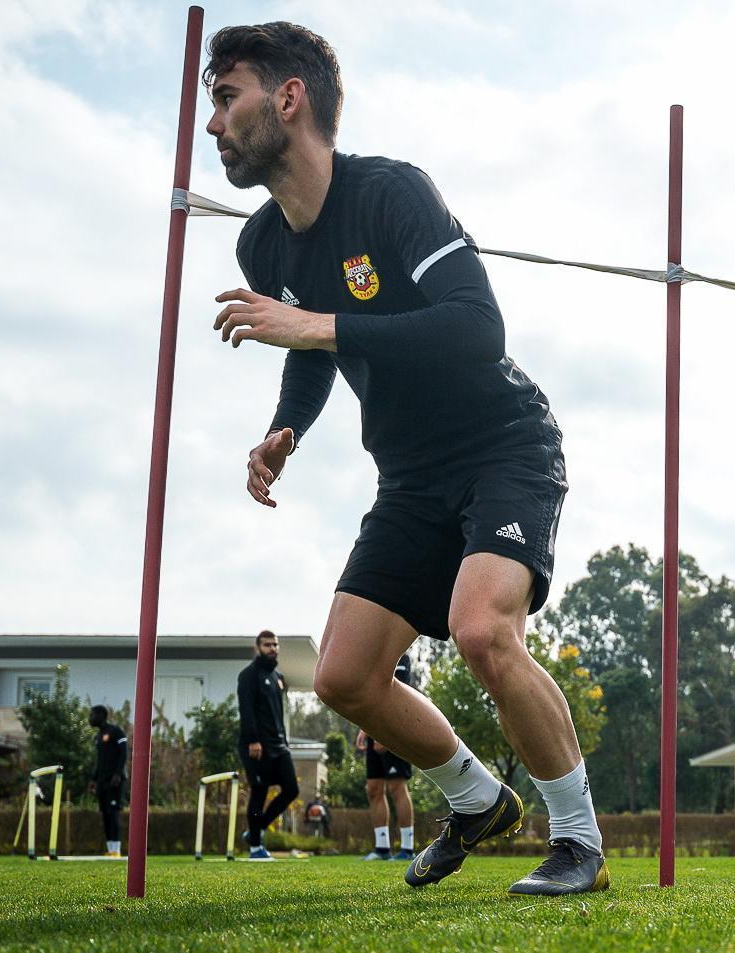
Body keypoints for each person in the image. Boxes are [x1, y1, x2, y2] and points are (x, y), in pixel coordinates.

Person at [204, 22, 606, 895]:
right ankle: (478, 799)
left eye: (227, 98)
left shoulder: (392, 193)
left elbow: (476, 327)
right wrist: (286, 429)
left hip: (504, 444)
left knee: (481, 629)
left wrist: (317, 323)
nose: (214, 124)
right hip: (410, 476)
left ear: (288, 98)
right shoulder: (261, 244)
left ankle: (578, 841)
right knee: (343, 674)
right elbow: (311, 349)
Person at [238, 629, 299, 860]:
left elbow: (279, 713)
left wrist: (284, 740)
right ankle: (255, 848)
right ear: (258, 648)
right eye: (267, 645)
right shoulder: (248, 675)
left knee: (291, 789)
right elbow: (246, 709)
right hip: (257, 745)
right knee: (259, 791)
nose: (272, 648)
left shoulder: (278, 677)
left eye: (275, 644)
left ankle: (256, 829)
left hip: (279, 744)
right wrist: (253, 740)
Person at [359, 654, 419, 861]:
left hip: (393, 728)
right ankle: (382, 848)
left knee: (396, 787)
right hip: (373, 727)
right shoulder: (371, 655)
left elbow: (395, 693)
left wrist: (385, 734)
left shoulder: (400, 656)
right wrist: (365, 728)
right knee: (374, 789)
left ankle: (407, 849)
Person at [88, 705, 127, 857]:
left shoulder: (116, 732)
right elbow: (100, 761)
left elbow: (123, 754)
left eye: (92, 715)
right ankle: (110, 849)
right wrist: (93, 779)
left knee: (113, 813)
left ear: (101, 715)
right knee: (105, 814)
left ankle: (116, 850)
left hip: (114, 781)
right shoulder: (98, 737)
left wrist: (118, 774)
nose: (90, 718)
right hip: (102, 782)